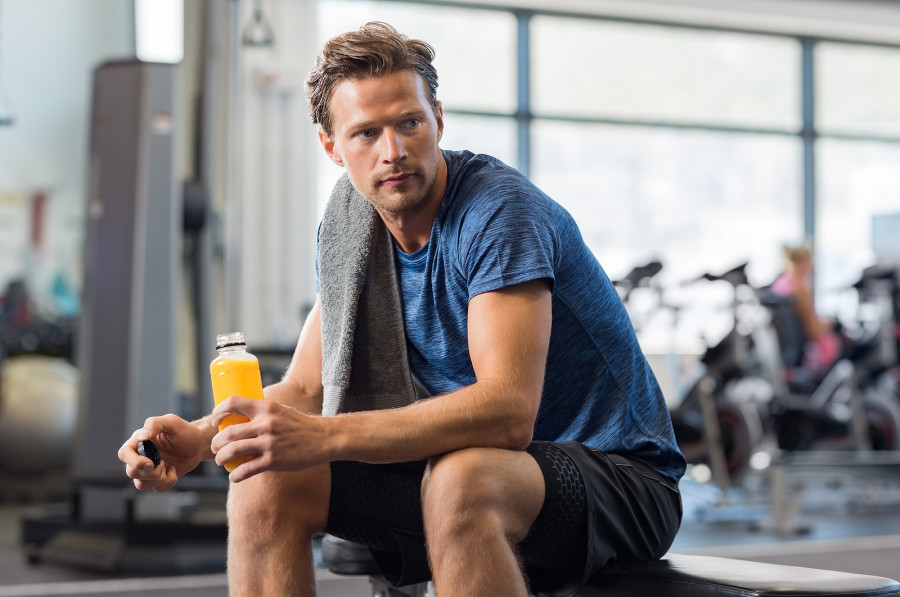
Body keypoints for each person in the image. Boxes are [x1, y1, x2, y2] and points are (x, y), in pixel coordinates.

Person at [118, 22, 685, 597]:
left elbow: (507, 414)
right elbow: (308, 388)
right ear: (331, 147)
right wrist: (203, 437)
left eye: (409, 123)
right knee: (264, 479)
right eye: (366, 133)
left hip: (620, 480)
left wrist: (324, 436)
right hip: (468, 468)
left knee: (462, 477)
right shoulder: (350, 225)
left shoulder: (498, 213)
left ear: (437, 119)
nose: (393, 151)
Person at [770, 243, 842, 375]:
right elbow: (814, 331)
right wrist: (831, 322)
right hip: (809, 353)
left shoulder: (779, 284)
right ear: (804, 262)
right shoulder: (800, 289)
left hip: (785, 350)